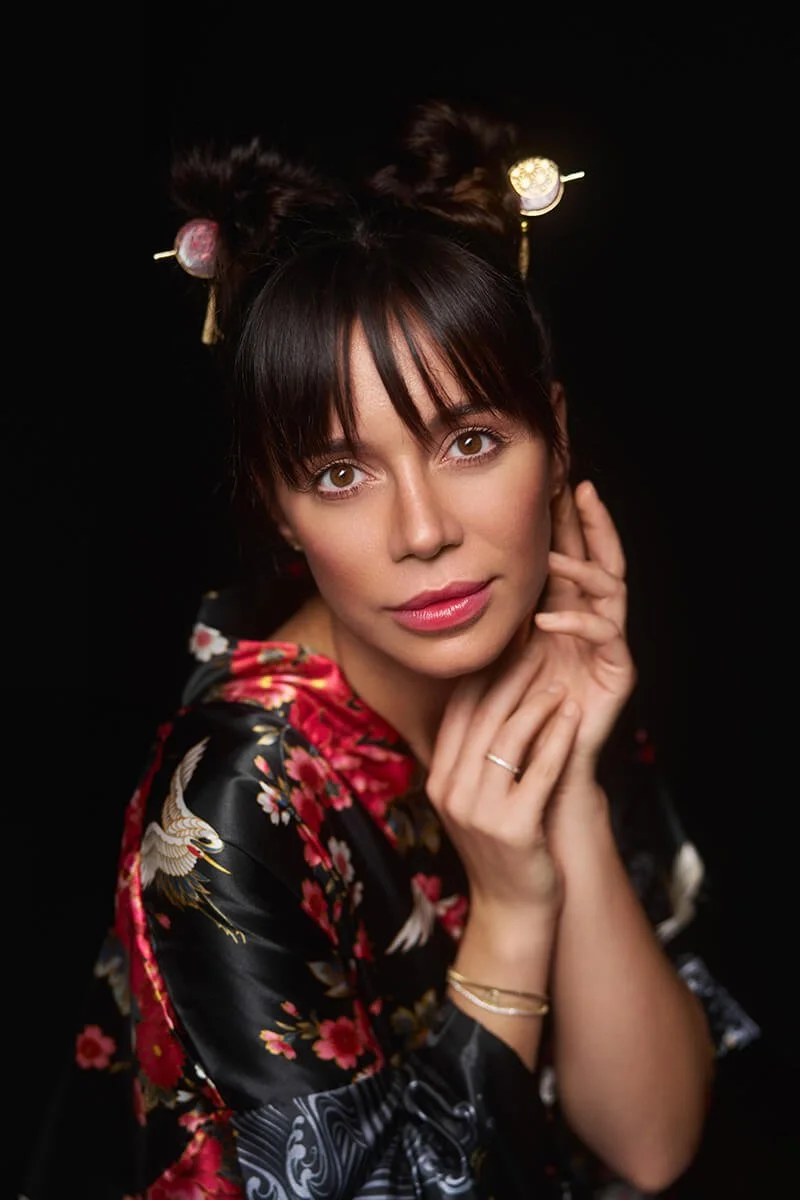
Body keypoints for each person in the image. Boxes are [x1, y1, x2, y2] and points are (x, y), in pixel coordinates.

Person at [23, 99, 758, 1199]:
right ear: (279, 510)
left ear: (555, 441)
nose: (421, 531)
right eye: (339, 473)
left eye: (470, 441)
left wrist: (565, 787)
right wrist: (512, 912)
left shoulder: (554, 658)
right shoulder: (233, 804)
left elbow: (648, 1145)